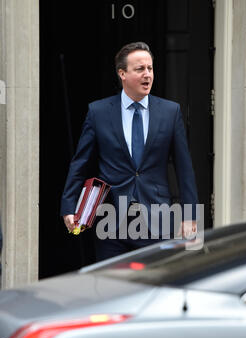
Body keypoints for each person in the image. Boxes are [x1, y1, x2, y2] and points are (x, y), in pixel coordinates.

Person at [61, 42, 199, 261]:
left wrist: (190, 216)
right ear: (122, 73)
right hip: (110, 221)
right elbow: (80, 163)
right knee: (112, 287)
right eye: (140, 69)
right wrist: (69, 206)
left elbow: (184, 168)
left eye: (150, 68)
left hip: (156, 221)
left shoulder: (170, 112)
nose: (147, 75)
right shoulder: (98, 112)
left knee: (154, 287)